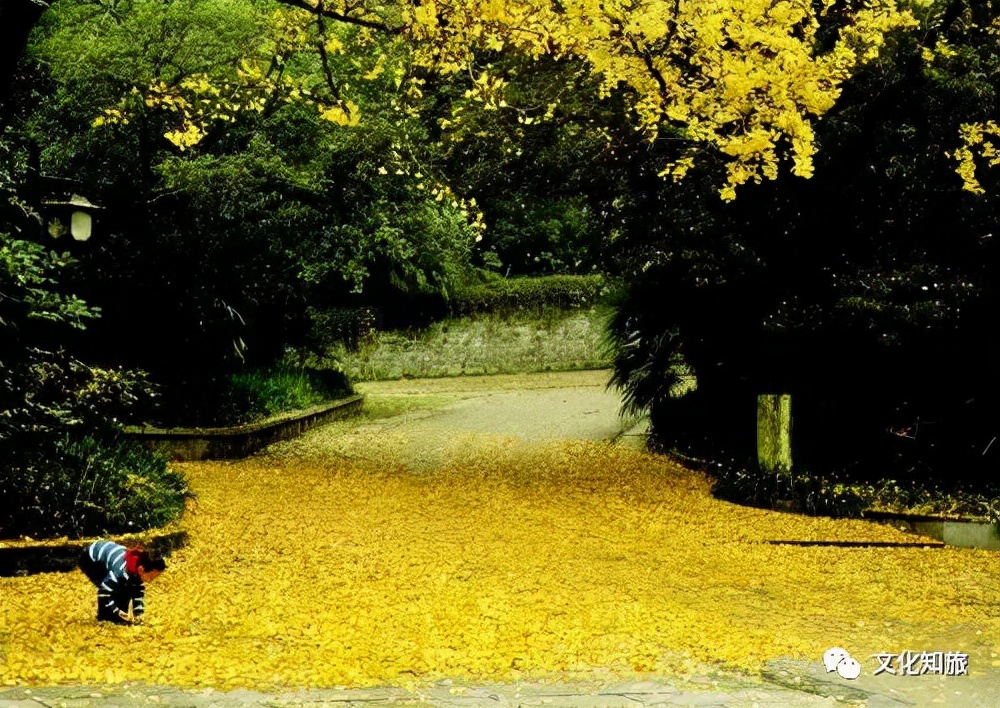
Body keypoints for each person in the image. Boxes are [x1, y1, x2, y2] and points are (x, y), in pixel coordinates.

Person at [79, 540, 165, 625]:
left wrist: (139, 614)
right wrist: (116, 611)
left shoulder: (136, 568)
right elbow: (104, 592)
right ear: (141, 569)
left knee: (125, 590)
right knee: (117, 590)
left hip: (107, 555)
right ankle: (104, 617)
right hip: (90, 559)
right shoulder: (121, 572)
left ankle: (114, 615)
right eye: (151, 577)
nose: (151, 581)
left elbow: (137, 592)